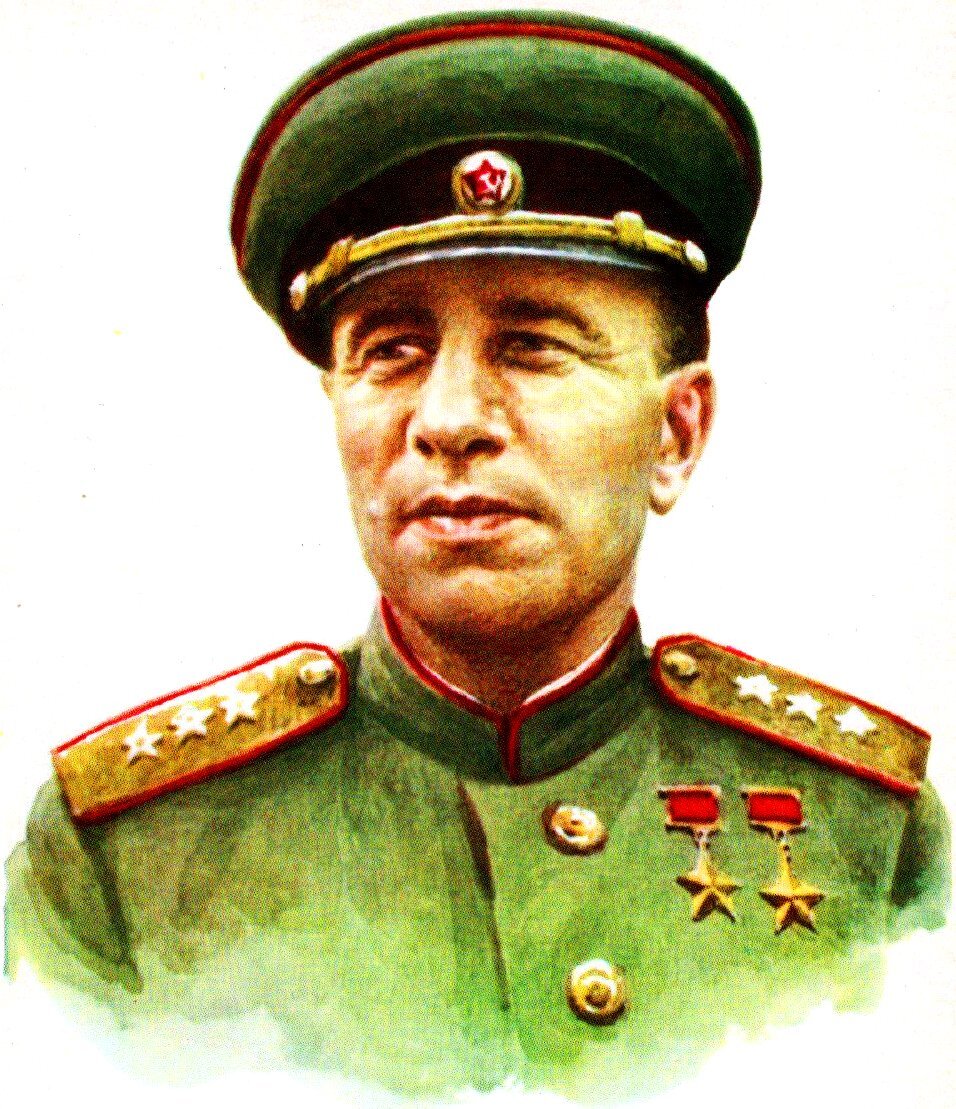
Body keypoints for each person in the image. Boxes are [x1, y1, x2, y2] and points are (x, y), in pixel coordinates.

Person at [3, 10, 949, 1104]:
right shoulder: (128, 861)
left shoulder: (867, 836)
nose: (448, 419)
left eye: (534, 346)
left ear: (676, 435)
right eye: (392, 351)